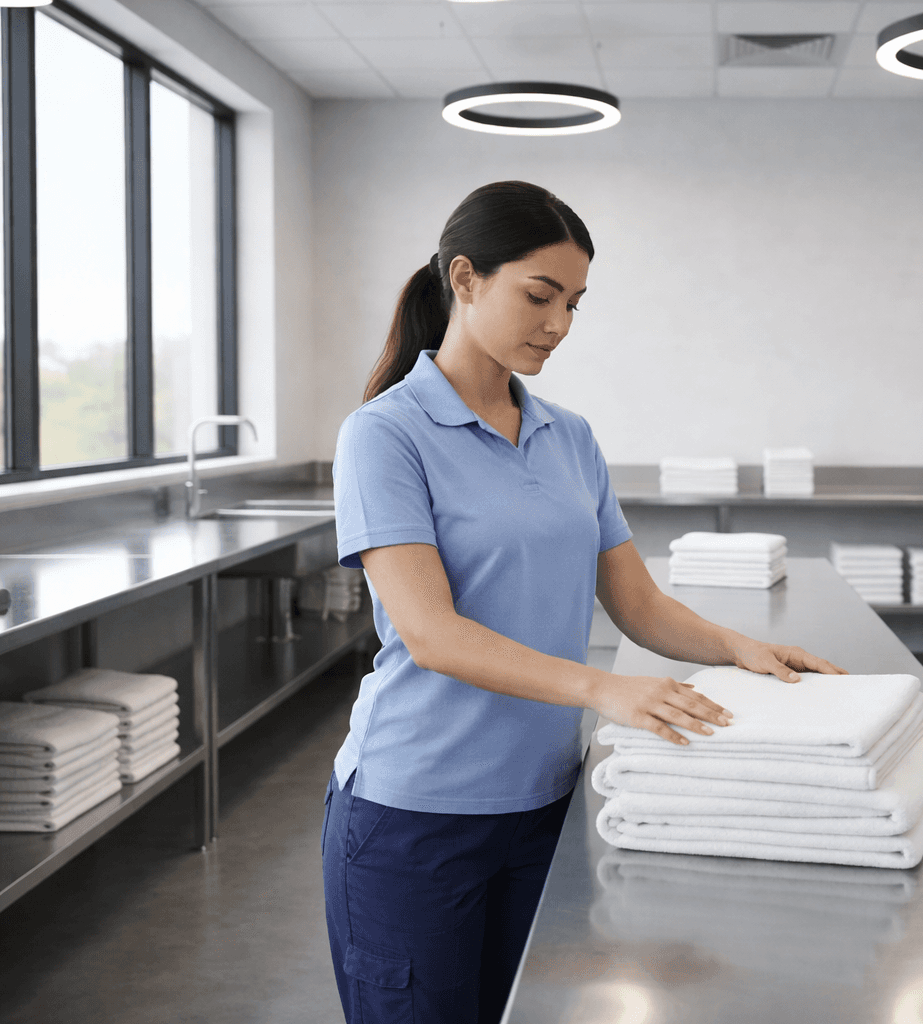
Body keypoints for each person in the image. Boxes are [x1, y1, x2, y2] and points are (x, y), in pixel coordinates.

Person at [320, 180, 844, 1023]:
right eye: (539, 295)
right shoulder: (384, 434)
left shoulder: (572, 436)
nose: (560, 323)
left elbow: (636, 602)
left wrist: (740, 647)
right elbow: (434, 634)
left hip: (544, 804)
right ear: (464, 279)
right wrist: (607, 690)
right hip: (415, 815)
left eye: (574, 302)